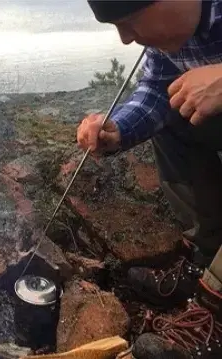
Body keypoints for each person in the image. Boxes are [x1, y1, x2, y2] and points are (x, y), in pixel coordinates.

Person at [80, 1, 222, 358]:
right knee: (178, 108)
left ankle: (217, 308)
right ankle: (207, 259)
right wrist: (118, 130)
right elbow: (158, 87)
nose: (126, 39)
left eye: (129, 22)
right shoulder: (171, 40)